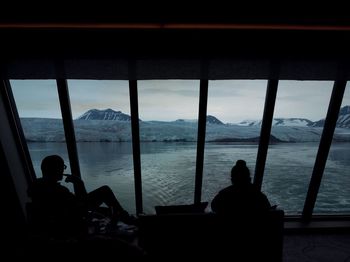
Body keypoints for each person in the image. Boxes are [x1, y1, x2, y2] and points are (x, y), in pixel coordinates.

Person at [27, 154, 137, 239]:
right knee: (105, 190)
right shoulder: (58, 190)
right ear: (55, 169)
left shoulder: (37, 186)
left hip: (62, 219)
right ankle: (127, 219)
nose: (63, 170)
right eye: (62, 167)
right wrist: (79, 183)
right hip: (72, 221)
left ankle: (124, 218)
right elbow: (82, 205)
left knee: (105, 210)